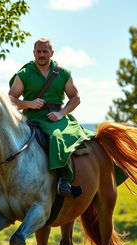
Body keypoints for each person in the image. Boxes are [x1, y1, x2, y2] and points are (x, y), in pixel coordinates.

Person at [9, 38, 94, 197]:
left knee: (57, 137)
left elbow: (75, 98)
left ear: (51, 53)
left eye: (45, 51)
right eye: (38, 52)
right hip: (30, 118)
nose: (41, 55)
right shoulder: (24, 74)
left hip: (56, 118)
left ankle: (64, 179)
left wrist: (61, 113)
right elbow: (10, 100)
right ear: (33, 53)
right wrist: (29, 104)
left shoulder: (63, 73)